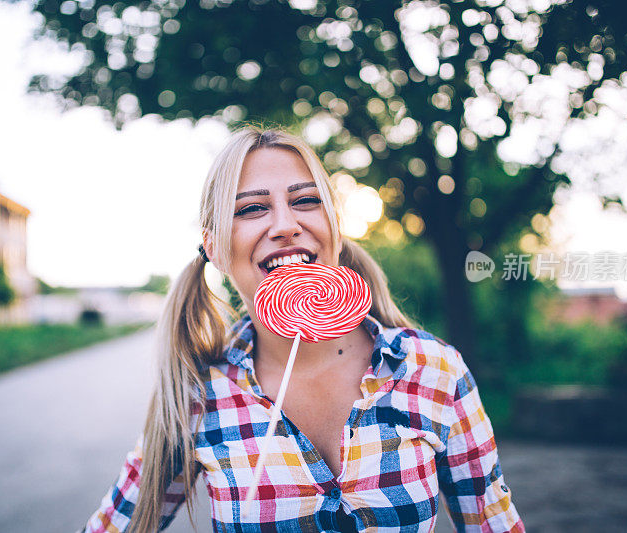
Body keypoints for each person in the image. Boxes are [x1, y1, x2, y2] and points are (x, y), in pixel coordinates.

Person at [80, 127, 524, 533]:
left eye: (306, 200)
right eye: (252, 208)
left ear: (334, 226)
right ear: (214, 248)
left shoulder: (433, 369)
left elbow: (494, 524)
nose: (286, 225)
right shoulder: (199, 394)